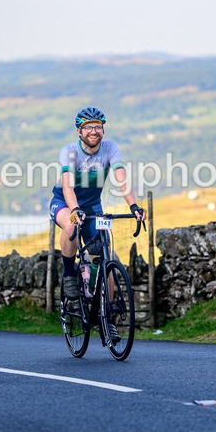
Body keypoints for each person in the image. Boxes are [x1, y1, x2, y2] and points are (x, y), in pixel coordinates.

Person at [49, 107, 144, 306]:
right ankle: (69, 273)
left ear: (103, 130)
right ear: (79, 131)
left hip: (92, 206)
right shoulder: (70, 151)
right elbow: (67, 187)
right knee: (71, 226)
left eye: (98, 127)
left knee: (102, 255)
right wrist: (75, 210)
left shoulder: (110, 148)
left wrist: (134, 206)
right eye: (88, 127)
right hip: (64, 202)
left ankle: (106, 311)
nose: (94, 131)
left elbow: (122, 179)